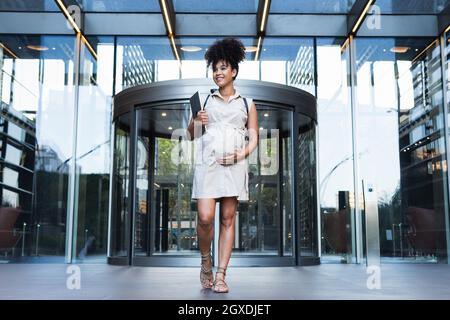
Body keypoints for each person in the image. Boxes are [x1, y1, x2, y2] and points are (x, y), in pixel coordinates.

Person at [186, 37, 259, 293]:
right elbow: (191, 134)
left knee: (228, 219)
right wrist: (196, 120)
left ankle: (221, 275)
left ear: (234, 71)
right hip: (208, 165)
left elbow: (254, 139)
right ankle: (206, 261)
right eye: (215, 68)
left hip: (234, 167)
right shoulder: (205, 101)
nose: (218, 72)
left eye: (223, 68)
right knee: (205, 218)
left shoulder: (247, 103)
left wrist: (240, 155)